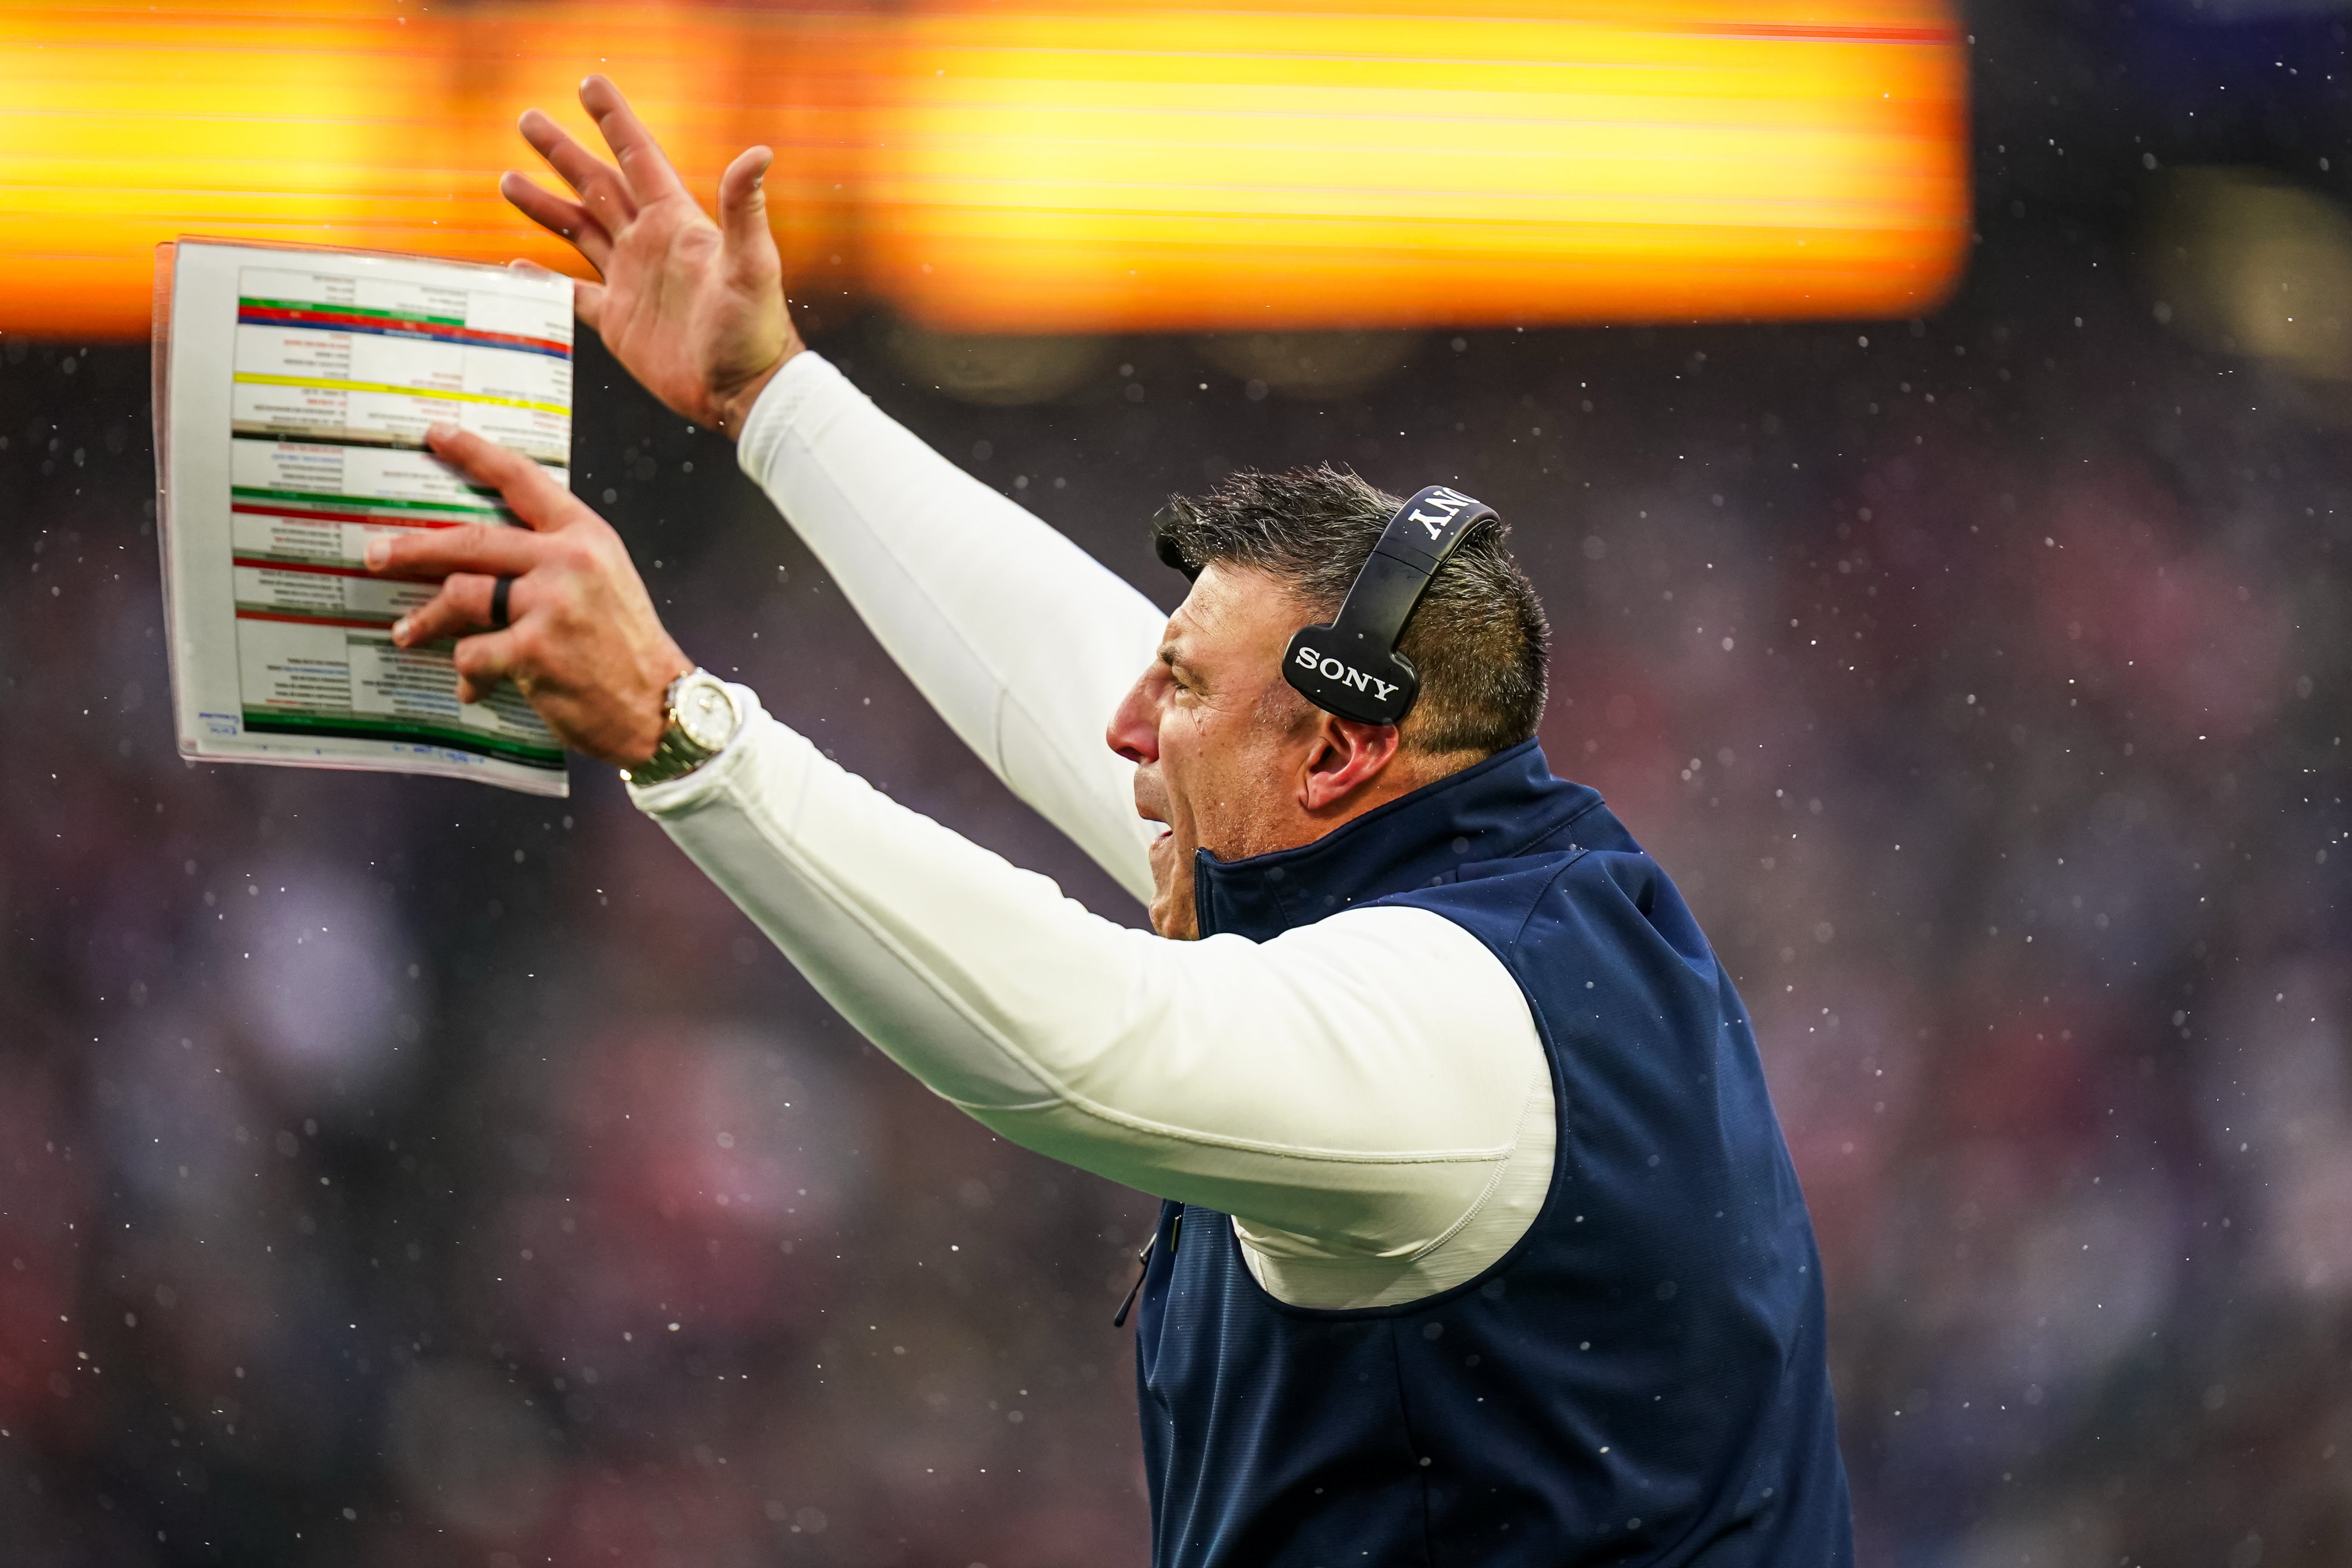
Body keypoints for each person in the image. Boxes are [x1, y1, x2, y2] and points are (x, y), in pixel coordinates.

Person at [367, 76, 1854, 1568]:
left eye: (1182, 686)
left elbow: (1078, 1037)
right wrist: (772, 395)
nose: (1124, 731)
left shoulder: (1453, 1030)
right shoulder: (1465, 872)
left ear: (1340, 750)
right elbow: (1063, 662)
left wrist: (678, 726)